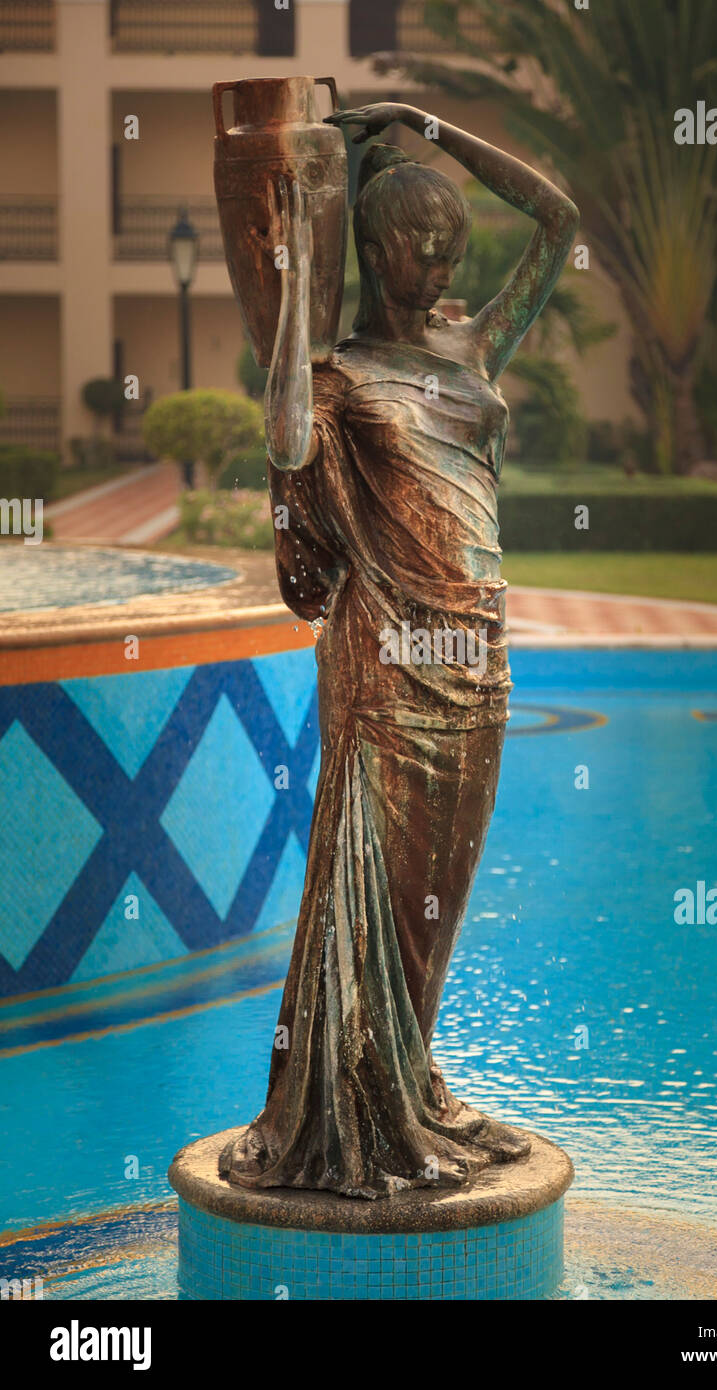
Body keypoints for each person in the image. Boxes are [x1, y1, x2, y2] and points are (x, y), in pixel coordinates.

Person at [219, 103, 579, 1198]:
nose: (434, 269)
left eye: (449, 251)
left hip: (478, 665)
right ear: (371, 252)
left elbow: (558, 223)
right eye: (418, 250)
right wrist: (289, 299)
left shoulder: (474, 348)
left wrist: (428, 126)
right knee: (366, 900)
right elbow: (284, 442)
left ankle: (408, 1079)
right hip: (385, 670)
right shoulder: (337, 376)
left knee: (435, 902)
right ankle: (347, 1115)